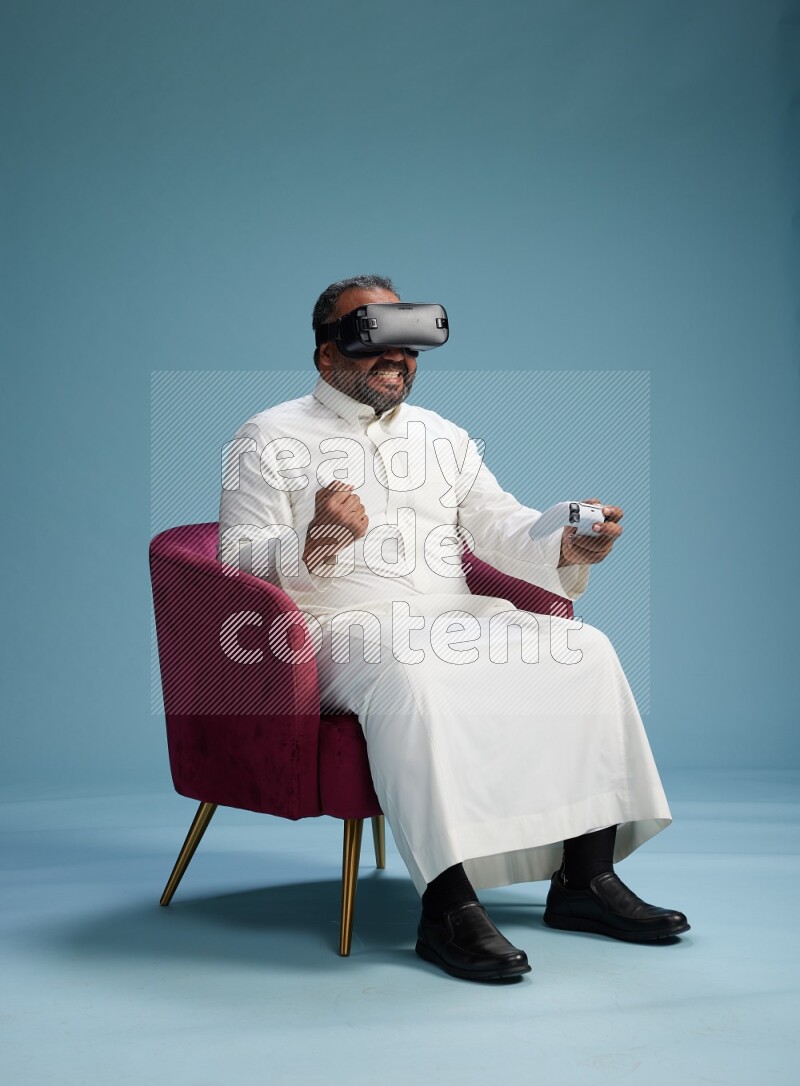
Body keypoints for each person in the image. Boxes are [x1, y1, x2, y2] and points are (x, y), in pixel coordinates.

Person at [218, 274, 689, 982]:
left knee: (582, 648)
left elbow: (499, 526)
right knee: (412, 669)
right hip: (337, 627)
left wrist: (565, 541)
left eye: (409, 343)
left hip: (452, 613)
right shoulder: (265, 436)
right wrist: (316, 537)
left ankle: (585, 878)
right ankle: (446, 907)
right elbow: (237, 558)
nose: (397, 357)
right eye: (374, 337)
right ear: (325, 355)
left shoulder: (443, 436)